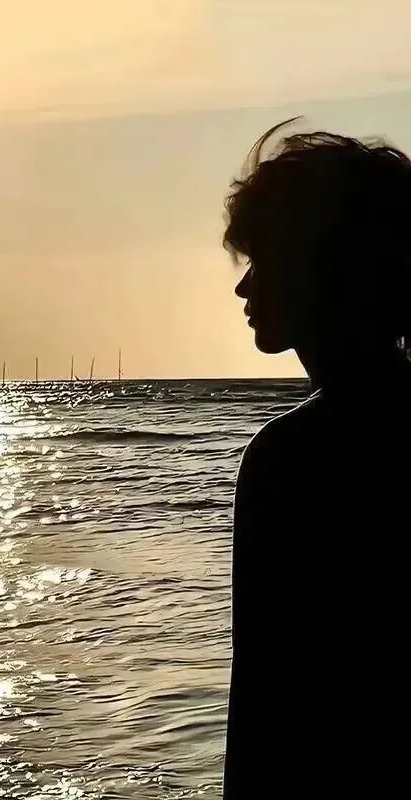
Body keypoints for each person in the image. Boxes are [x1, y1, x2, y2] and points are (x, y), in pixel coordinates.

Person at [222, 119, 409, 798]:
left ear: (320, 266)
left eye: (263, 261)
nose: (244, 289)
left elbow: (264, 699)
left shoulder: (294, 458)